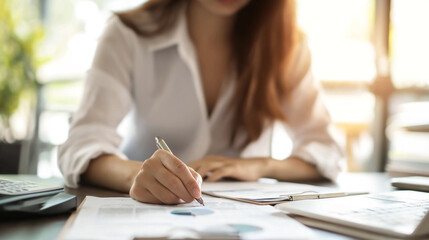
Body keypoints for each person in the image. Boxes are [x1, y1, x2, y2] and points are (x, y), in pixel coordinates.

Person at [58, 0, 345, 205]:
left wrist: (262, 166)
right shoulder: (126, 33)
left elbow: (327, 150)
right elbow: (81, 144)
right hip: (145, 215)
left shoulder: (287, 45)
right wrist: (136, 176)